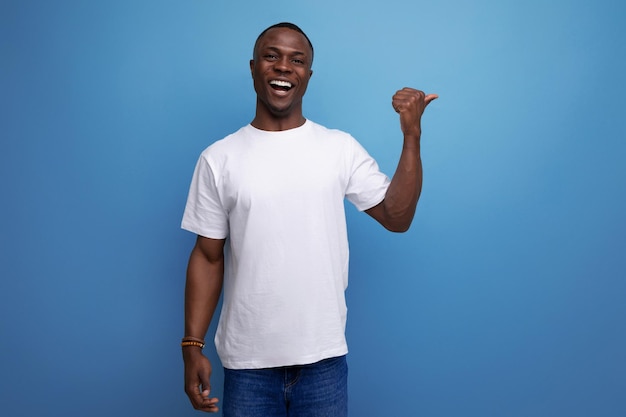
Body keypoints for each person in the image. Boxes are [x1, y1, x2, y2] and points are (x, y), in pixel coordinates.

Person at [180, 22, 437, 416]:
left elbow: (396, 216)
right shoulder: (219, 158)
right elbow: (208, 256)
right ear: (253, 68)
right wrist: (192, 345)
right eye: (272, 56)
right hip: (247, 366)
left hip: (324, 363)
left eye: (296, 60)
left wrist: (411, 135)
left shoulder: (338, 148)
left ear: (308, 76)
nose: (284, 67)